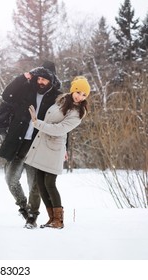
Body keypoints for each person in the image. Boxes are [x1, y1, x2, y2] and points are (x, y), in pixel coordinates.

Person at [0, 61, 62, 229]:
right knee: (11, 179)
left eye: (45, 80)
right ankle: (24, 207)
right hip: (19, 142)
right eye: (39, 78)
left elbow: (63, 123)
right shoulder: (25, 89)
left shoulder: (57, 98)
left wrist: (65, 147)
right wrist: (23, 77)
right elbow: (6, 96)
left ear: (51, 81)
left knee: (35, 184)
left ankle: (32, 216)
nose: (41, 82)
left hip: (39, 144)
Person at [25, 76, 91, 229]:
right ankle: (51, 219)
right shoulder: (61, 101)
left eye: (83, 95)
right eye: (78, 92)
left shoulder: (78, 113)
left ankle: (58, 220)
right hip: (44, 144)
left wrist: (36, 123)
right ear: (73, 89)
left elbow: (60, 129)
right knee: (41, 184)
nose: (79, 96)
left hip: (54, 148)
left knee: (50, 183)